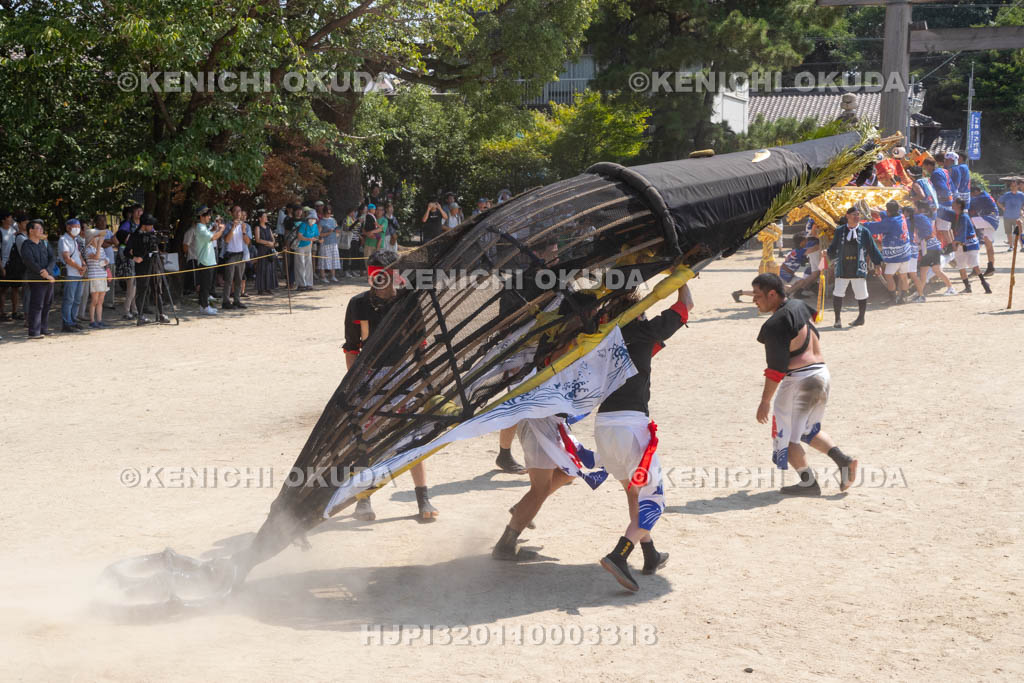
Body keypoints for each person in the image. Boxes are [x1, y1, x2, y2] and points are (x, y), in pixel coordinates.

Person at [595, 283, 693, 592]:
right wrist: (683, 275)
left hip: (604, 428)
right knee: (655, 500)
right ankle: (619, 555)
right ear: (638, 313)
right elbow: (686, 303)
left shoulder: (599, 338)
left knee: (635, 493)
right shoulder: (644, 331)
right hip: (630, 427)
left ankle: (650, 554)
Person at [342, 251, 438, 522]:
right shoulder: (358, 304)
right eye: (373, 275)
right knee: (366, 439)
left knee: (412, 435)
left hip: (402, 373)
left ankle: (423, 496)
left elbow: (420, 344)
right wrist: (355, 383)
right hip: (368, 376)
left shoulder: (408, 302)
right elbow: (351, 347)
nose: (378, 281)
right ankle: (364, 497)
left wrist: (423, 380)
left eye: (383, 274)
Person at [751, 272, 857, 498]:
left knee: (787, 437)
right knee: (808, 430)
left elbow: (775, 370)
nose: (754, 300)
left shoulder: (774, 325)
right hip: (822, 374)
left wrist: (765, 401)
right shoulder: (799, 305)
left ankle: (808, 483)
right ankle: (844, 461)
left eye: (758, 295)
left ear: (772, 294)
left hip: (800, 380)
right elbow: (815, 319)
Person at [826, 206, 884, 328]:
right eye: (854, 215)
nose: (857, 217)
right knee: (838, 292)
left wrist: (878, 264)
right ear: (847, 216)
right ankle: (837, 319)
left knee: (861, 293)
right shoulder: (840, 230)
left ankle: (861, 318)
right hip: (843, 265)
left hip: (858, 265)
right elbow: (833, 247)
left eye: (858, 215)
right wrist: (829, 257)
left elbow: (872, 248)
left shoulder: (864, 231)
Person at [862, 200, 913, 305]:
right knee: (903, 276)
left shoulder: (889, 222)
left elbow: (874, 227)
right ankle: (903, 298)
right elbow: (888, 216)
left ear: (888, 211)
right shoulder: (901, 216)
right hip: (906, 252)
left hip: (896, 254)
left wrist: (861, 223)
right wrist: (878, 212)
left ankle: (893, 298)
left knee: (888, 275)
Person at [939, 198, 991, 294]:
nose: (952, 204)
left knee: (974, 265)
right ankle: (968, 287)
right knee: (961, 266)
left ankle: (984, 284)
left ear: (959, 205)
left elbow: (962, 233)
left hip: (969, 243)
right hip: (961, 244)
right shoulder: (956, 215)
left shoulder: (963, 217)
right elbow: (944, 212)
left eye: (954, 203)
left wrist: (955, 242)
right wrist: (934, 205)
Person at [126, 213, 171, 325]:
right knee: (142, 291)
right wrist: (134, 257)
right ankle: (140, 316)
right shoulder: (135, 236)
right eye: (150, 225)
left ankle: (161, 314)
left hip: (154, 264)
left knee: (157, 289)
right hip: (142, 266)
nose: (152, 227)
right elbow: (126, 251)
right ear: (144, 224)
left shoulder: (152, 235)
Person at [910, 201, 955, 297]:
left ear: (921, 209)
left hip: (928, 247)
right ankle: (950, 288)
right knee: (936, 270)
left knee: (923, 273)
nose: (914, 210)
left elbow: (905, 218)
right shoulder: (929, 216)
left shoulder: (919, 217)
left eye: (915, 208)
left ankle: (920, 294)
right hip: (933, 245)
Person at [21, 219, 56, 339]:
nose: (41, 230)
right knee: (37, 304)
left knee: (47, 303)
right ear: (31, 230)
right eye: (38, 228)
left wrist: (48, 271)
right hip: (36, 278)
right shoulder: (26, 245)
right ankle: (34, 332)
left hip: (49, 277)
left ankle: (44, 329)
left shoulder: (44, 243)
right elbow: (29, 262)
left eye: (42, 228)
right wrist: (43, 273)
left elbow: (52, 258)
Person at [193, 207, 226, 315]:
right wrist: (221, 230)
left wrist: (214, 230)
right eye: (207, 215)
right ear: (201, 216)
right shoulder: (200, 227)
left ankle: (204, 305)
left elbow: (210, 235)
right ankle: (204, 306)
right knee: (205, 286)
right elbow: (212, 238)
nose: (209, 217)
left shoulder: (203, 227)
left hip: (209, 260)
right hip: (205, 260)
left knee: (206, 285)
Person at [58, 218, 86, 333]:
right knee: (69, 299)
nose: (77, 229)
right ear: (68, 227)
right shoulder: (63, 239)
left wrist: (83, 264)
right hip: (71, 273)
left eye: (79, 227)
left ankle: (73, 320)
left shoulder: (74, 240)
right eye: (75, 227)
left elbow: (78, 254)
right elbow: (67, 258)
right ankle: (67, 322)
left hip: (78, 274)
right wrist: (79, 268)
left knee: (77, 299)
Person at [220, 205, 250, 310]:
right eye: (236, 211)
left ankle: (237, 300)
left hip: (241, 254)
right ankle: (226, 301)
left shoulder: (245, 226)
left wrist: (243, 231)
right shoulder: (228, 225)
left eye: (240, 211)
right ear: (232, 213)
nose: (238, 213)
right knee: (228, 279)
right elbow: (226, 240)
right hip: (230, 255)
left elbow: (248, 242)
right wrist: (233, 227)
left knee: (239, 279)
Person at [116, 204, 142, 321]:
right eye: (138, 211)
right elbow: (121, 237)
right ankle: (126, 310)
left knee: (134, 283)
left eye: (141, 211)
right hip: (128, 256)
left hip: (138, 256)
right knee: (131, 283)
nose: (140, 213)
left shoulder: (142, 224)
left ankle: (134, 308)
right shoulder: (127, 225)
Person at [969, 185, 999, 276]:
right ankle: (991, 267)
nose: (972, 196)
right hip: (992, 222)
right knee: (988, 246)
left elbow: (967, 204)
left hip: (988, 220)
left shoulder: (981, 197)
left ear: (976, 192)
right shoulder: (984, 196)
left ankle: (974, 239)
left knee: (966, 220)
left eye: (972, 194)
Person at [83, 228, 110, 328]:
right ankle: (92, 320)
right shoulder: (88, 249)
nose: (100, 239)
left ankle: (99, 320)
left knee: (100, 300)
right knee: (94, 300)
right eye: (97, 237)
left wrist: (106, 260)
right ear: (91, 239)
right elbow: (97, 257)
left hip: (102, 276)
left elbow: (105, 258)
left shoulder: (102, 249)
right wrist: (98, 245)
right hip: (94, 277)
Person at [0, 210, 21, 322]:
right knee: (2, 289)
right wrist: (1, 267)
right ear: (3, 219)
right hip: (4, 264)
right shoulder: (0, 232)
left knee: (15, 288)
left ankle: (15, 312)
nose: (11, 219)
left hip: (14, 264)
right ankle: (2, 312)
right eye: (9, 217)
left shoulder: (14, 230)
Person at [252, 209, 277, 295]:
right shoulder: (257, 227)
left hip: (269, 250)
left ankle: (268, 287)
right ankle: (261, 288)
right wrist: (267, 242)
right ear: (260, 218)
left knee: (269, 268)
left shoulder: (268, 227)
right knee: (262, 268)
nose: (266, 218)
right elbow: (257, 239)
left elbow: (272, 238)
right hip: (262, 250)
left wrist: (272, 243)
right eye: (264, 216)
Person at [295, 209, 320, 291]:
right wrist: (309, 239)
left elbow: (316, 236)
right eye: (311, 218)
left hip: (308, 246)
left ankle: (309, 284)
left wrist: (317, 240)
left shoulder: (315, 226)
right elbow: (299, 236)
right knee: (300, 265)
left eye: (314, 218)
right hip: (300, 246)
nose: (313, 220)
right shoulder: (303, 225)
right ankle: (301, 284)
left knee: (308, 265)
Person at [997, 179, 1024, 251]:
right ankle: (1011, 247)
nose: (1013, 187)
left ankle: (1022, 247)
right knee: (1009, 232)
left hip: (1017, 217)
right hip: (1007, 217)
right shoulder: (1007, 195)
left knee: (1020, 232)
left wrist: (1022, 210)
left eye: (1015, 186)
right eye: (1012, 186)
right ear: (1010, 187)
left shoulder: (1021, 195)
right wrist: (1003, 208)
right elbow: (999, 202)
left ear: (1017, 186)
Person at [318, 206, 341, 282]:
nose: (329, 214)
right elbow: (319, 234)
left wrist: (337, 230)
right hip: (325, 243)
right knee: (324, 260)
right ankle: (323, 276)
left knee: (333, 259)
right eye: (327, 212)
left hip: (334, 242)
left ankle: (333, 275)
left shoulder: (333, 220)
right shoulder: (321, 221)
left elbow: (337, 228)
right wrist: (328, 233)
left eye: (330, 212)